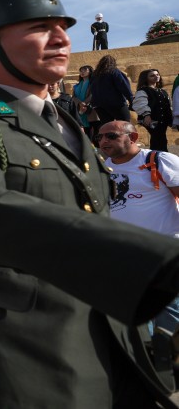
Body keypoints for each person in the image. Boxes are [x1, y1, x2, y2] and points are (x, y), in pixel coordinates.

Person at [0, 0, 179, 408]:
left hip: (107, 327)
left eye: (63, 27)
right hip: (21, 342)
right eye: (39, 27)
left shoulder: (70, 125)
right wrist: (144, 256)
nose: (62, 39)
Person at [100, 119, 179, 386]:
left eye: (110, 135)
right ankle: (147, 373)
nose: (103, 142)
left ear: (133, 136)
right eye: (100, 137)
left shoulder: (159, 160)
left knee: (170, 317)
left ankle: (170, 371)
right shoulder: (101, 167)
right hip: (123, 256)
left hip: (164, 253)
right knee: (134, 319)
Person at [133, 68, 172, 152]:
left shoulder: (162, 91)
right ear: (146, 78)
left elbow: (168, 105)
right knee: (158, 139)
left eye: (157, 74)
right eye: (152, 75)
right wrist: (146, 115)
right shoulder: (143, 91)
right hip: (152, 119)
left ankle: (158, 158)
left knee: (161, 139)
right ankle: (156, 159)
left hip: (163, 120)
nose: (156, 76)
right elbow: (140, 104)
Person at [91, 54, 133, 125]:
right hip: (116, 103)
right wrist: (131, 100)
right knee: (125, 125)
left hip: (99, 105)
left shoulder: (95, 74)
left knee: (107, 126)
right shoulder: (114, 71)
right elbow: (123, 86)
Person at [72, 65, 98, 137]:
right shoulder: (76, 86)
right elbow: (73, 97)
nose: (82, 72)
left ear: (90, 71)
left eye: (84, 70)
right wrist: (80, 103)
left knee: (95, 131)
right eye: (81, 70)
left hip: (91, 109)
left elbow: (93, 94)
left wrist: (84, 103)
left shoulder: (93, 83)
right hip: (79, 109)